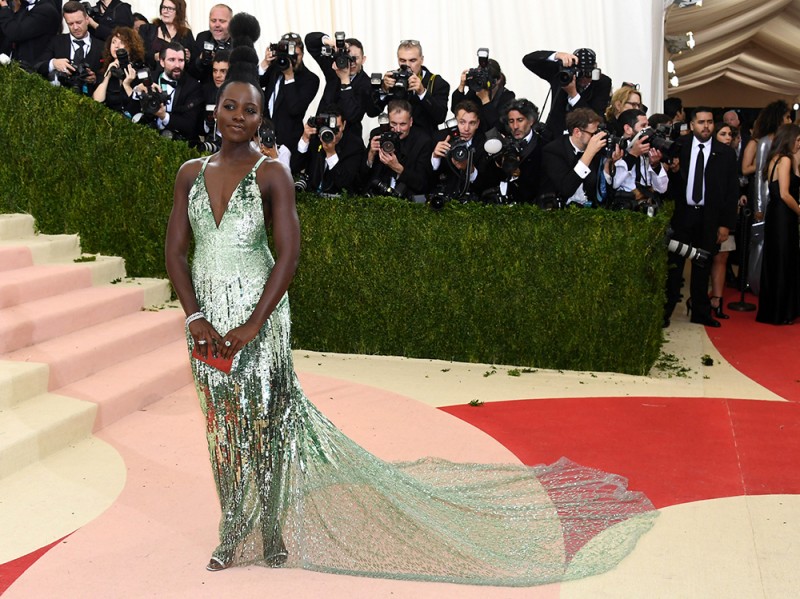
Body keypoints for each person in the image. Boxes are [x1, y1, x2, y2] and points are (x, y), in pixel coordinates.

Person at [165, 12, 656, 584]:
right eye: (231, 106)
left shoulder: (272, 173)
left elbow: (289, 256)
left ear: (261, 116)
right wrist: (195, 314)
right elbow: (177, 251)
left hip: (260, 315)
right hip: (204, 320)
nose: (239, 118)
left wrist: (252, 324)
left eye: (251, 109)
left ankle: (270, 526)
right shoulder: (187, 173)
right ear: (215, 108)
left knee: (267, 422)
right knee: (221, 425)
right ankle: (233, 528)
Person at [664, 107, 739, 328]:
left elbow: (731, 191)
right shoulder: (679, 147)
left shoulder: (725, 153)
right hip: (682, 215)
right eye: (701, 122)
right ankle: (665, 312)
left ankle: (700, 312)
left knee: (702, 265)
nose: (705, 126)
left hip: (709, 217)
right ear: (692, 124)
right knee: (675, 266)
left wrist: (726, 224)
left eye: (709, 122)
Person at [741, 100, 791, 293]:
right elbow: (761, 177)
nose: (789, 120)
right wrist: (760, 208)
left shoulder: (781, 142)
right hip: (767, 201)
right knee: (760, 244)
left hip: (779, 200)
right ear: (778, 118)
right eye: (786, 117)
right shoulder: (764, 142)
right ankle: (756, 284)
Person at [756, 124, 800, 325]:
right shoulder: (784, 160)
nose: (799, 143)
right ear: (789, 139)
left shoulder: (776, 158)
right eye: (798, 140)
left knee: (777, 260)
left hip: (776, 214)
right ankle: (781, 312)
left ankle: (775, 310)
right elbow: (784, 193)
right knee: (783, 261)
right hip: (783, 215)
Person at [522, 48, 611, 139]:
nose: (584, 79)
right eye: (580, 74)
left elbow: (596, 118)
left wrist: (574, 95)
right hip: (555, 136)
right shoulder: (561, 74)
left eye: (589, 74)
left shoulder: (602, 82)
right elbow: (528, 60)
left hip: (583, 138)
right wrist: (556, 55)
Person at [304, 32, 378, 141]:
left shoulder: (367, 84)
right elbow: (310, 41)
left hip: (348, 143)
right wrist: (330, 42)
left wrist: (345, 80)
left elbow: (352, 115)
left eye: (355, 58)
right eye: (348, 57)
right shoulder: (333, 68)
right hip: (322, 135)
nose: (350, 62)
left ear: (363, 59)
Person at [541, 107, 620, 208]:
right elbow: (566, 189)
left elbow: (602, 194)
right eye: (593, 134)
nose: (596, 138)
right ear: (577, 132)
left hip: (589, 211)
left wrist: (608, 164)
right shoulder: (553, 151)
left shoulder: (598, 151)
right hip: (558, 211)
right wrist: (588, 154)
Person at [373, 39, 450, 138]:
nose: (408, 65)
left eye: (412, 60)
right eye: (403, 60)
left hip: (425, 144)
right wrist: (383, 89)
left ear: (421, 60)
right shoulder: (392, 79)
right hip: (397, 140)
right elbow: (373, 112)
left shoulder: (437, 82)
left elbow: (440, 118)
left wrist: (422, 93)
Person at [259, 32, 320, 156]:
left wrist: (289, 77)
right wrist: (265, 63)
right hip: (263, 137)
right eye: (287, 55)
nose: (291, 60)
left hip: (287, 143)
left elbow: (295, 108)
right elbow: (256, 83)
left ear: (302, 54)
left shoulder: (310, 79)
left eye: (295, 55)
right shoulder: (276, 67)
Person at [478, 98, 546, 204]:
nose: (515, 126)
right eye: (511, 121)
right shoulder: (501, 144)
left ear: (531, 121)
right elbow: (486, 181)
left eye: (520, 120)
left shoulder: (543, 146)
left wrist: (518, 175)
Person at [132, 41, 203, 141]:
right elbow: (131, 111)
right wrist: (137, 92)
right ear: (161, 62)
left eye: (181, 60)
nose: (177, 65)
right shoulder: (148, 78)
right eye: (172, 60)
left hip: (179, 143)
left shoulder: (193, 86)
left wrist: (164, 116)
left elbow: (190, 125)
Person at [363, 98, 432, 198]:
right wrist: (370, 156)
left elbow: (423, 183)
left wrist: (398, 168)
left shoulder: (423, 141)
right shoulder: (377, 135)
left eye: (403, 124)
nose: (398, 129)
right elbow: (362, 178)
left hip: (407, 200)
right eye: (393, 124)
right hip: (375, 195)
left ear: (411, 121)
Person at [290, 107, 364, 195]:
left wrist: (331, 153)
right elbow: (294, 167)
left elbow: (344, 182)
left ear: (344, 125)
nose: (333, 133)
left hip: (338, 200)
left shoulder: (354, 145)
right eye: (329, 128)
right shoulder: (316, 138)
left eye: (337, 128)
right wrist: (305, 139)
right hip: (311, 195)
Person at [35, 1, 103, 95]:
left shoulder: (101, 46)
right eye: (70, 24)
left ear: (87, 19)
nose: (75, 27)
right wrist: (53, 63)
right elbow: (37, 66)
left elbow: (108, 76)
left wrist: (95, 79)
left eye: (79, 22)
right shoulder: (56, 41)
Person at [429, 99, 486, 201]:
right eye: (462, 122)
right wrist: (435, 157)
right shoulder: (440, 137)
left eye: (472, 123)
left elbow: (485, 184)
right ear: (455, 121)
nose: (466, 128)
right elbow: (425, 179)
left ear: (478, 124)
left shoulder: (484, 143)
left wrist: (469, 169)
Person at [611, 108, 668, 206]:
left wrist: (655, 165)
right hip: (625, 211)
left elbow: (662, 188)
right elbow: (614, 183)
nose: (648, 130)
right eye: (643, 126)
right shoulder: (616, 148)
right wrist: (632, 155)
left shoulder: (648, 149)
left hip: (648, 209)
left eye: (648, 125)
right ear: (628, 129)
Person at [451, 56, 515, 134]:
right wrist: (461, 86)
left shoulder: (507, 97)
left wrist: (485, 100)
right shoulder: (475, 91)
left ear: (498, 80)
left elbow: (499, 127)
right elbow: (456, 110)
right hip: (475, 137)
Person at [91, 25, 142, 113]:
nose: (116, 46)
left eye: (122, 42)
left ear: (131, 46)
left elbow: (138, 108)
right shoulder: (103, 69)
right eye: (113, 42)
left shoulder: (139, 70)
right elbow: (97, 102)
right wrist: (107, 77)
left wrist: (127, 84)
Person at [0, 0, 61, 66]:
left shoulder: (46, 10)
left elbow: (16, 32)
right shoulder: (25, 6)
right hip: (17, 64)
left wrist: (4, 7)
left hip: (34, 68)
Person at [137, 0, 194, 70]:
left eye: (170, 9)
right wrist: (155, 57)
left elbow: (194, 67)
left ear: (179, 12)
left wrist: (188, 58)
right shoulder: (147, 29)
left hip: (177, 78)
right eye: (163, 7)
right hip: (151, 76)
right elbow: (138, 56)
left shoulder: (186, 34)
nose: (165, 11)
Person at [188, 3, 232, 85]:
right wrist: (201, 60)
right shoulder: (202, 37)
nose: (217, 25)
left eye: (222, 21)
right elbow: (192, 74)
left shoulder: (240, 42)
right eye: (213, 20)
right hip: (206, 93)